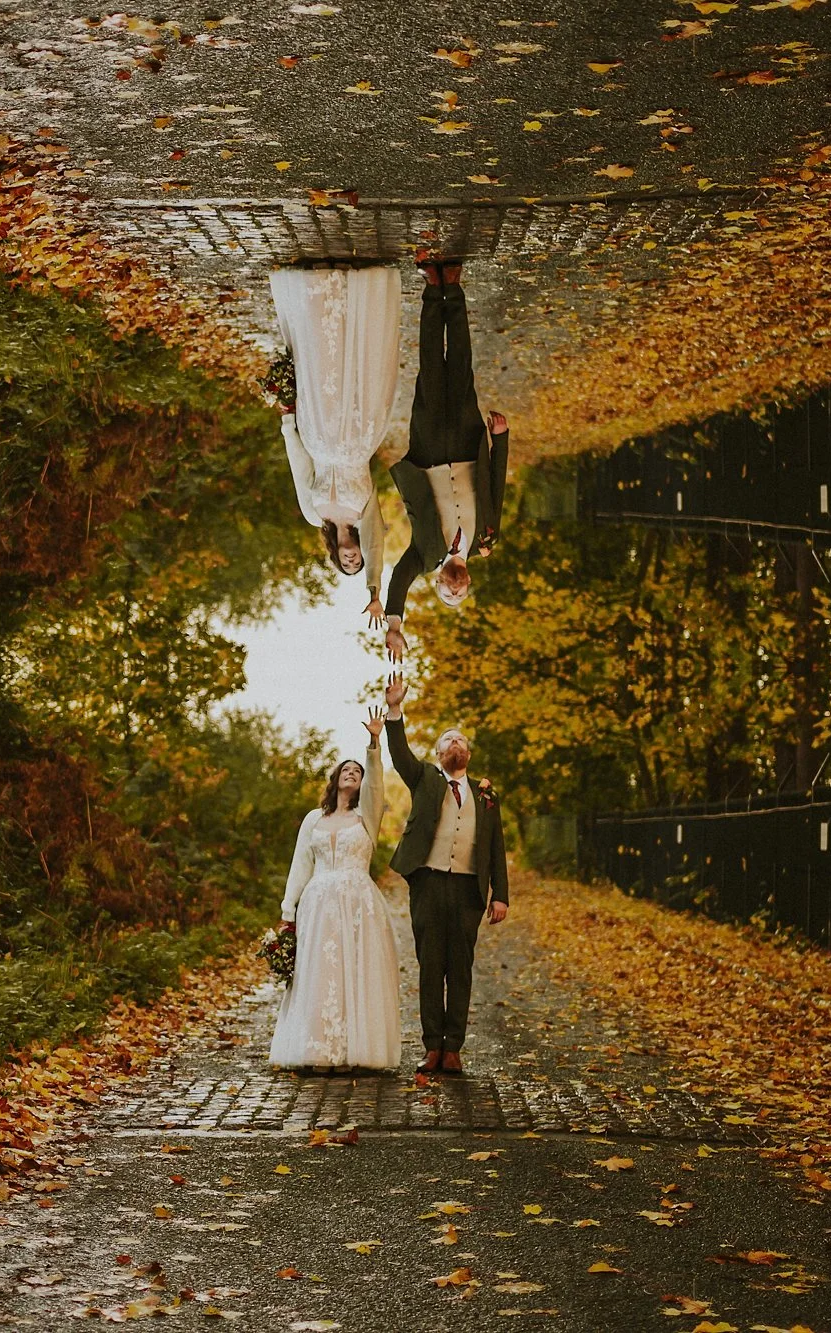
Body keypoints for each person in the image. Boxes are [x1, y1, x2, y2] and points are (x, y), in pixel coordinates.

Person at [381, 258, 510, 664]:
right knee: (461, 366)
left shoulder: (423, 554)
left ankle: (430, 291)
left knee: (431, 370)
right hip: (469, 442)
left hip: (431, 447)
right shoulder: (486, 540)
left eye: (446, 594)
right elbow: (497, 486)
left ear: (437, 582)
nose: (454, 591)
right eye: (460, 594)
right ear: (468, 582)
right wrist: (500, 440)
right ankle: (452, 287)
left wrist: (395, 624)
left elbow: (399, 578)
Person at [379, 674, 508, 1076]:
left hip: (469, 889)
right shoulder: (425, 779)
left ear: (469, 754)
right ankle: (432, 1047)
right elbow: (399, 754)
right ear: (438, 753)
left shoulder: (486, 796)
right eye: (450, 740)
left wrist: (500, 895)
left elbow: (496, 848)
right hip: (430, 883)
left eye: (462, 741)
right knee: (431, 966)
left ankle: (454, 1049)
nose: (458, 744)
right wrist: (395, 710)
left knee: (461, 968)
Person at [269, 707, 404, 1073]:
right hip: (317, 904)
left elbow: (376, 782)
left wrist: (374, 745)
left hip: (357, 902)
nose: (352, 773)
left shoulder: (366, 818)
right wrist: (288, 909)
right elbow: (300, 864)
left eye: (357, 772)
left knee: (353, 970)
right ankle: (317, 1050)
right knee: (320, 973)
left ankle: (351, 1052)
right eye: (347, 769)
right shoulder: (314, 819)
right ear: (335, 778)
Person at [270, 263, 404, 619]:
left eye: (346, 563)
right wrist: (373, 589)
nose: (352, 559)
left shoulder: (315, 516)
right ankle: (356, 294)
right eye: (356, 562)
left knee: (321, 365)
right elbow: (379, 545)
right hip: (355, 436)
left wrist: (287, 422)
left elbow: (300, 470)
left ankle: (318, 291)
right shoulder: (365, 518)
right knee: (354, 367)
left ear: (335, 557)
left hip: (316, 433)